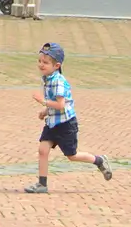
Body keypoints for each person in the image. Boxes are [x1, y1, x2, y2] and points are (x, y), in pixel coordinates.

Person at [24, 42, 112, 194]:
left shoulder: (58, 81)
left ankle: (99, 160)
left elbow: (61, 105)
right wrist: (45, 112)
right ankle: (42, 184)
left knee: (72, 155)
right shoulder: (48, 79)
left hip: (65, 124)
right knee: (43, 150)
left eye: (45, 62)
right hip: (52, 123)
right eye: (40, 61)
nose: (41, 65)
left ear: (57, 65)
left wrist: (43, 102)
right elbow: (55, 104)